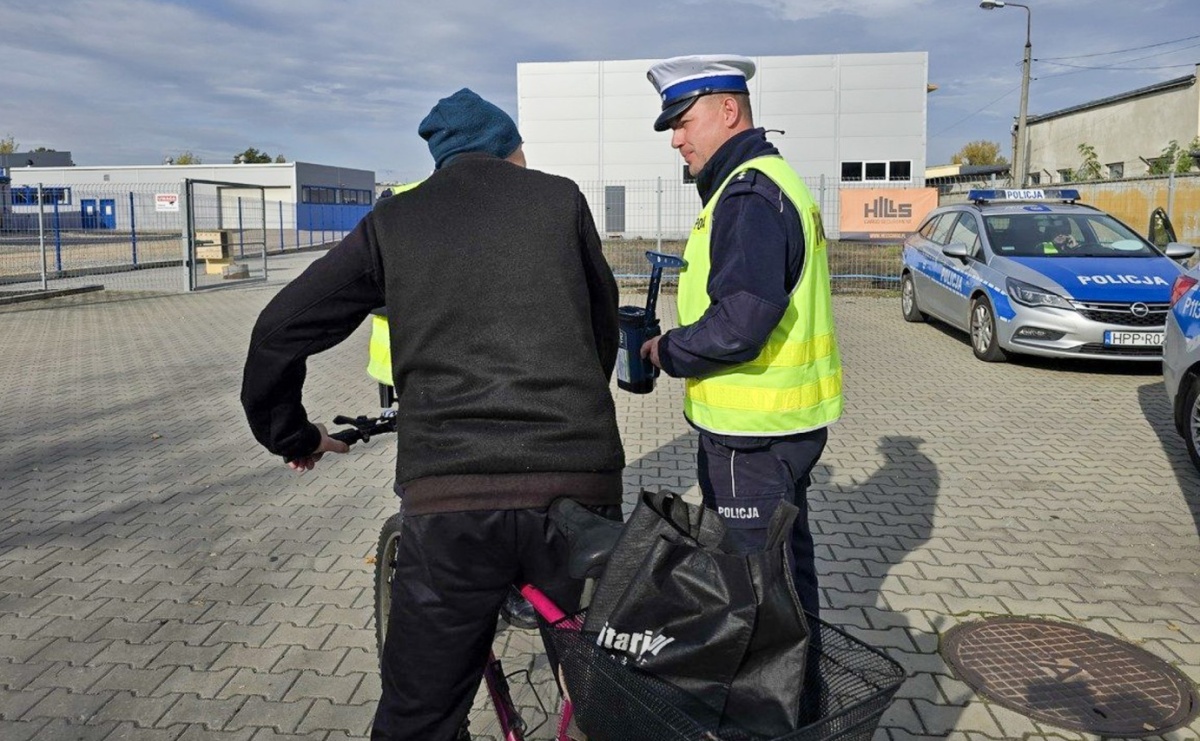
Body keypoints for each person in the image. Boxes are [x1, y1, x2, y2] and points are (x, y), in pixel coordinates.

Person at [240, 87, 625, 741]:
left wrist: (293, 433)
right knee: (605, 694)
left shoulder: (396, 221)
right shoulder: (560, 200)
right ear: (512, 149)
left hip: (452, 499)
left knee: (418, 716)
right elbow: (602, 322)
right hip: (577, 486)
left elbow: (279, 329)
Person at [639, 55, 843, 618]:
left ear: (729, 111)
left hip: (749, 438)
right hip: (784, 428)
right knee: (786, 580)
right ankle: (804, 699)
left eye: (684, 121)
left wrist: (669, 350)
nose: (676, 140)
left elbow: (740, 324)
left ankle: (767, 705)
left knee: (754, 601)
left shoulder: (747, 195)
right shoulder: (768, 182)